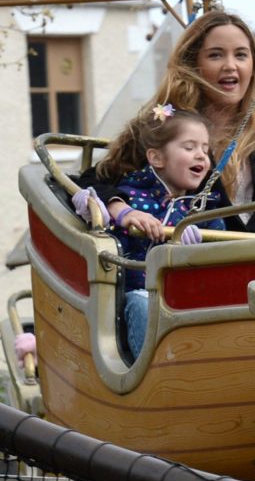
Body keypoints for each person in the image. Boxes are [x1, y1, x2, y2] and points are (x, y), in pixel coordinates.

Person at [79, 9, 255, 236]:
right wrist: (122, 209)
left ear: (253, 66)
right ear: (192, 64)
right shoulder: (164, 127)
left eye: (241, 55)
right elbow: (93, 182)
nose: (231, 65)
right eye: (216, 55)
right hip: (199, 278)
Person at [74, 107, 225, 357]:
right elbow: (107, 233)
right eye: (189, 148)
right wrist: (115, 214)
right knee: (141, 304)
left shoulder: (203, 210)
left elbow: (221, 252)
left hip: (186, 298)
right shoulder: (130, 197)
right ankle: (158, 375)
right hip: (139, 296)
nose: (201, 156)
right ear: (156, 158)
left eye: (205, 150)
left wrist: (203, 247)